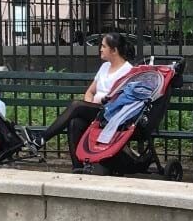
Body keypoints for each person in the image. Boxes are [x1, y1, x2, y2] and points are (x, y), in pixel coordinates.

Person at [29, 32, 133, 171]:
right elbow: (90, 92)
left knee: (76, 105)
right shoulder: (104, 67)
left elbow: (121, 101)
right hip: (95, 110)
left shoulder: (128, 71)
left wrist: (94, 104)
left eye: (103, 46)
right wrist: (89, 104)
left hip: (111, 114)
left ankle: (41, 139)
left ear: (114, 50)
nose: (100, 49)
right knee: (74, 122)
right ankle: (78, 167)